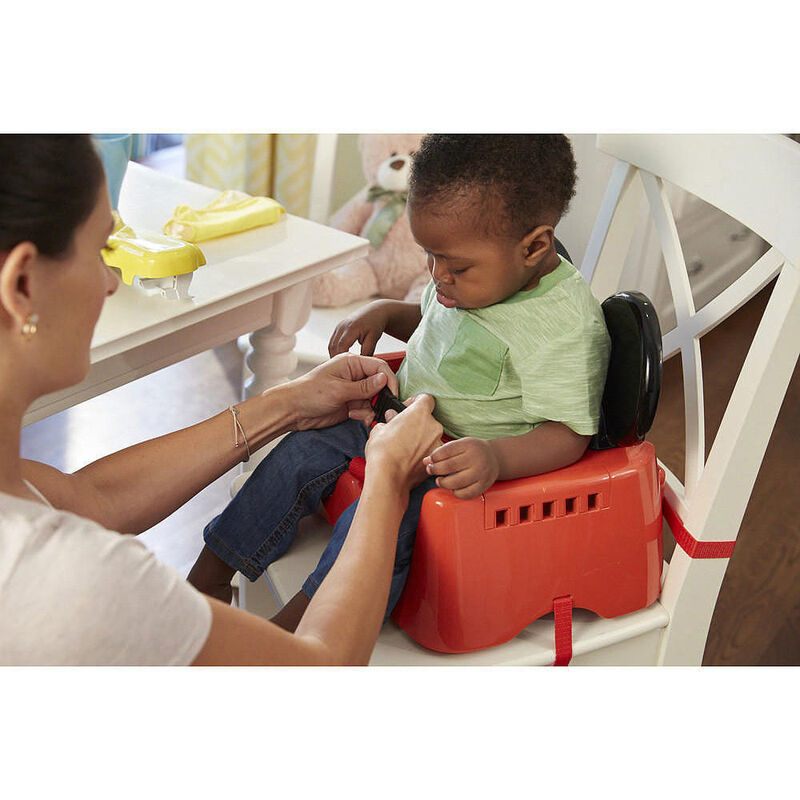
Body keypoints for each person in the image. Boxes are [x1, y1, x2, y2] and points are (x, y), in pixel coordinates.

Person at [0, 134, 443, 666]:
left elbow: (86, 498)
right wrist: (388, 482)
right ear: (21, 284)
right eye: (100, 252)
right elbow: (319, 672)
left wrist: (289, 403)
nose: (109, 283)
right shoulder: (72, 579)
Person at [188, 134, 612, 631]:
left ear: (535, 247)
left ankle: (300, 634)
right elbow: (441, 329)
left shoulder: (561, 327)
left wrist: (495, 458)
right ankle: (208, 576)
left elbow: (569, 434)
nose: (438, 275)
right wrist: (389, 313)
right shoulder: (471, 278)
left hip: (452, 467)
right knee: (295, 453)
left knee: (378, 525)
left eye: (455, 266)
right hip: (393, 422)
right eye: (429, 256)